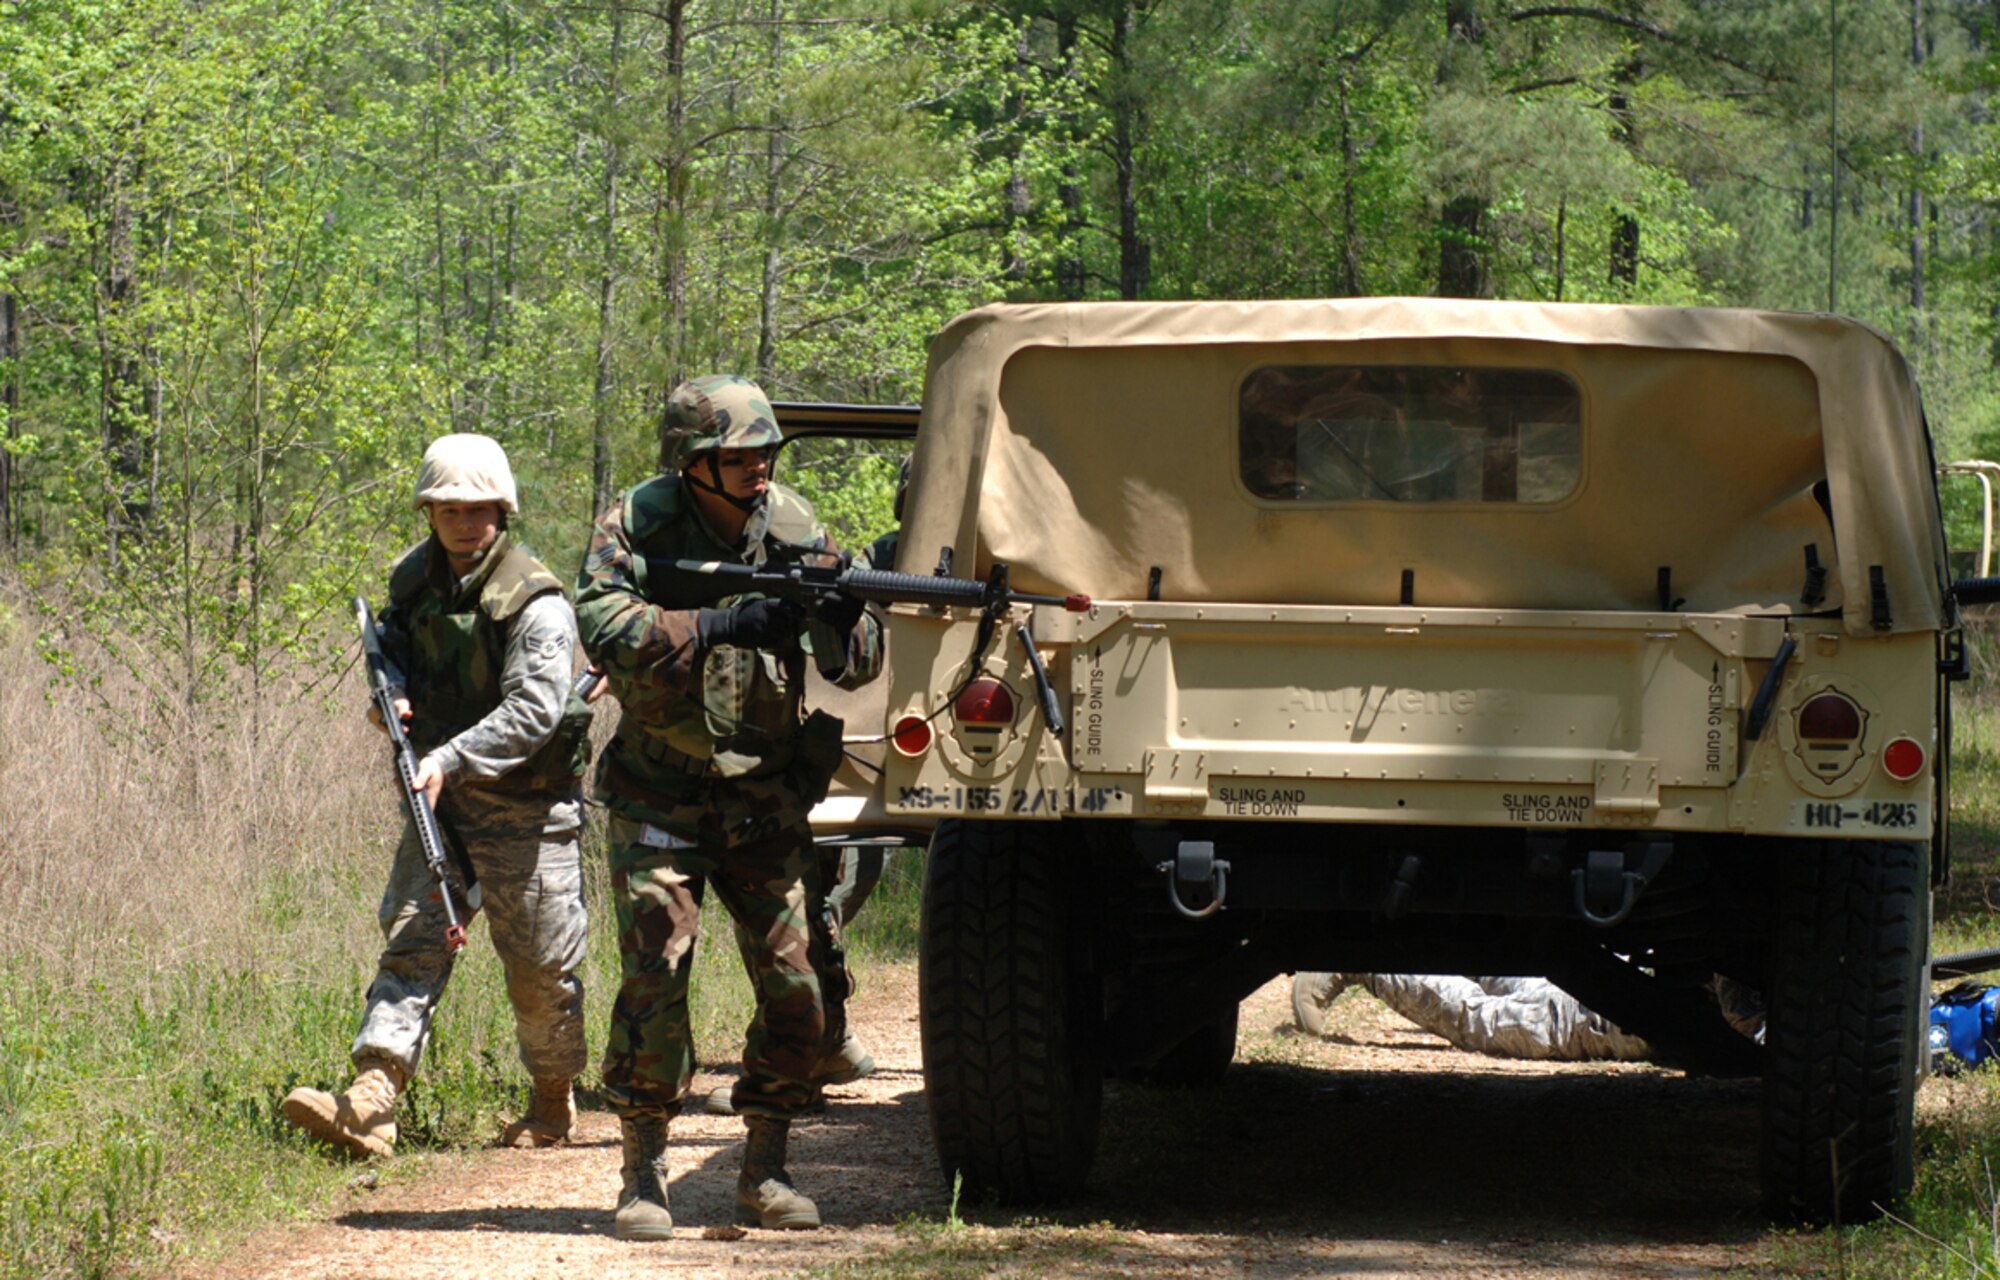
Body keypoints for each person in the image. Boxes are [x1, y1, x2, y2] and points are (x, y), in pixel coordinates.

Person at [576, 375, 882, 1239]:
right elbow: (602, 625)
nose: (757, 470)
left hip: (763, 796)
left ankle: (765, 1171)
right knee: (654, 975)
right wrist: (715, 625)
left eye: (765, 454)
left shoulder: (792, 521)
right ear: (693, 463)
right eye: (738, 457)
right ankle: (642, 1174)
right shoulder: (634, 521)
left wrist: (837, 609)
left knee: (798, 989)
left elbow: (857, 663)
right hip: (660, 790)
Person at [282, 434, 595, 1159]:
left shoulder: (535, 600)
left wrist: (449, 755)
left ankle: (552, 1102)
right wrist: (391, 700)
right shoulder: (413, 581)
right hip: (440, 807)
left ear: (502, 509)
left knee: (543, 973)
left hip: (527, 806)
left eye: (479, 507)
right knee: (413, 944)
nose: (465, 520)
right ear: (429, 510)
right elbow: (390, 650)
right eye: (449, 507)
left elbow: (536, 709)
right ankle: (372, 1098)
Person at [704, 450, 909, 1119]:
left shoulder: (947, 559)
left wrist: (836, 613)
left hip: (893, 744)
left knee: (799, 894)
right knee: (803, 888)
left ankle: (810, 1045)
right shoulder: (872, 556)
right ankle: (821, 1042)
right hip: (837, 747)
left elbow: (857, 652)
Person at [1290, 972, 1657, 1062]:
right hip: (1593, 1021)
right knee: (1474, 1016)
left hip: (1600, 997)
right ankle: (1363, 958)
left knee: (1489, 987)